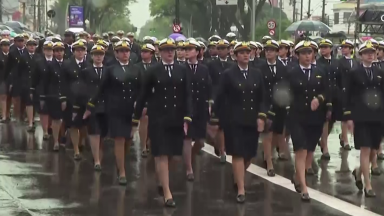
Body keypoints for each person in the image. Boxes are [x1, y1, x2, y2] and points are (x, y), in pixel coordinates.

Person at [132, 38, 192, 207]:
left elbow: (187, 94)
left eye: (172, 49)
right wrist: (135, 118)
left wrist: (188, 116)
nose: (169, 52)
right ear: (160, 51)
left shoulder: (182, 70)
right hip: (158, 118)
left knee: (173, 155)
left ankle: (162, 180)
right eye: (166, 49)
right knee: (161, 154)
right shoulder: (152, 70)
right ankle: (167, 192)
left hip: (176, 117)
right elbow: (143, 95)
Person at [210, 41, 267, 203]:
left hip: (251, 120)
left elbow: (262, 98)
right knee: (237, 153)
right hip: (233, 121)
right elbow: (219, 96)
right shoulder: (228, 74)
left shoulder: (256, 74)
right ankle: (241, 189)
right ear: (235, 56)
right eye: (241, 53)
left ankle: (238, 174)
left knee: (249, 155)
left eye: (247, 52)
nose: (245, 55)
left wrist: (261, 116)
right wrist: (215, 117)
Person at [85, 40, 141, 183]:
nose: (124, 53)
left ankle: (120, 161)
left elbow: (141, 90)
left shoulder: (135, 69)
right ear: (116, 53)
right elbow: (101, 89)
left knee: (128, 139)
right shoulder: (110, 69)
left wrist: (142, 104)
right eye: (121, 51)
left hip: (131, 109)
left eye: (127, 51)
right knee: (119, 138)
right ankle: (121, 172)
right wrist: (90, 105)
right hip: (115, 109)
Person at [288, 40, 330, 201]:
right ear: (297, 55)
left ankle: (298, 177)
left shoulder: (321, 71)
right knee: (301, 149)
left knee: (309, 149)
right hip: (297, 117)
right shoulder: (291, 73)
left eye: (310, 52)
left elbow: (327, 91)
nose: (307, 55)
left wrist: (319, 99)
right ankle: (304, 188)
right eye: (304, 53)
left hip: (315, 118)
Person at [343, 41, 384, 197]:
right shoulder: (354, 73)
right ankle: (368, 185)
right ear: (360, 55)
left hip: (377, 117)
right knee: (365, 149)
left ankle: (359, 170)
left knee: (374, 150)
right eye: (366, 52)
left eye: (372, 52)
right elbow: (348, 96)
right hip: (361, 117)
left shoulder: (380, 72)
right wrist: (348, 117)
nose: (370, 54)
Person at [259, 39, 289, 177]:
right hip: (265, 104)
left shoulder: (283, 68)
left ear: (277, 52)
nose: (268, 52)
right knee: (267, 132)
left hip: (280, 106)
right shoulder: (260, 67)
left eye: (271, 50)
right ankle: (269, 163)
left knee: (277, 133)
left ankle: (268, 154)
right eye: (267, 50)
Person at [183, 39, 212, 181]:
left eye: (191, 49)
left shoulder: (204, 69)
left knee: (200, 141)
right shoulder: (181, 68)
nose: (187, 51)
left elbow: (209, 87)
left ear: (198, 51)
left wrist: (210, 103)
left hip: (201, 107)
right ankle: (189, 168)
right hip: (186, 108)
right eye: (186, 49)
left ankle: (190, 157)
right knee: (187, 137)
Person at [77, 45, 108, 170]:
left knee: (103, 134)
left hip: (106, 106)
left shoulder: (108, 71)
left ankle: (99, 155)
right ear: (92, 56)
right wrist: (84, 106)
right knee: (94, 132)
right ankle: (97, 160)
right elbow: (81, 90)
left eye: (101, 54)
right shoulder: (86, 71)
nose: (98, 56)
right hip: (92, 106)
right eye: (96, 54)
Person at [61, 40, 90, 160]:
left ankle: (81, 142)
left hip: (85, 100)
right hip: (71, 99)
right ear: (73, 51)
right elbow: (62, 83)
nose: (80, 52)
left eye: (82, 50)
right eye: (77, 50)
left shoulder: (89, 64)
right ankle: (76, 150)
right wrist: (63, 98)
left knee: (84, 125)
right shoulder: (67, 64)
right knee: (73, 125)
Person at [135, 43, 157, 157]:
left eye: (146, 52)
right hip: (141, 98)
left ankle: (150, 142)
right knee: (144, 120)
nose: (143, 53)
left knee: (153, 123)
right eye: (142, 51)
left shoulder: (156, 66)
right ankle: (143, 145)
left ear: (152, 54)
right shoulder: (136, 67)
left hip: (155, 98)